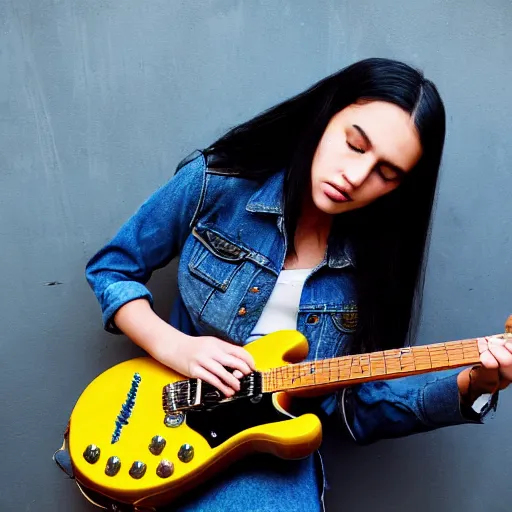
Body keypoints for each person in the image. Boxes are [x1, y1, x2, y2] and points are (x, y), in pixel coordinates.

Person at [85, 58, 512, 512]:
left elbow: (355, 410)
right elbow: (112, 267)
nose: (356, 176)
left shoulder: (374, 269)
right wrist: (177, 347)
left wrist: (471, 384)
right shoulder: (216, 184)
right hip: (161, 416)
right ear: (325, 115)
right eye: (353, 143)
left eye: (386, 174)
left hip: (272, 458)